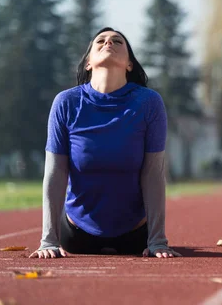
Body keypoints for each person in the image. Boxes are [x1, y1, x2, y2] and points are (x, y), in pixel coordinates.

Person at [30, 27, 180, 259]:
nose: (108, 42)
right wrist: (48, 240)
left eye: (117, 41)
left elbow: (153, 172)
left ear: (130, 64)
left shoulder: (149, 102)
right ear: (88, 62)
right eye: (100, 40)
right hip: (77, 235)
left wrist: (157, 239)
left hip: (135, 235)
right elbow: (55, 172)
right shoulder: (66, 102)